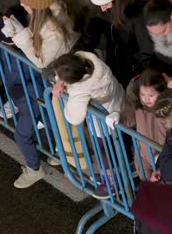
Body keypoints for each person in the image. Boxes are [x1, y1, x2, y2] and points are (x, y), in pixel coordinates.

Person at [0, 0, 79, 189]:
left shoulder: (52, 30)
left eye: (26, 4)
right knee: (53, 120)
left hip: (47, 83)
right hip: (47, 85)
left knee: (24, 134)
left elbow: (40, 60)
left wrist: (18, 34)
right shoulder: (56, 12)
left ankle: (34, 168)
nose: (23, 7)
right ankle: (58, 153)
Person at [51, 51, 125, 199]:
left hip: (104, 123)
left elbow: (74, 117)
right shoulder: (91, 63)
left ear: (71, 81)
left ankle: (112, 182)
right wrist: (61, 81)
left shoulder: (81, 90)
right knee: (115, 147)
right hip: (120, 104)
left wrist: (63, 92)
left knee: (105, 151)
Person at [87, 0, 152, 87]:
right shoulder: (104, 10)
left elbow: (147, 53)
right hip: (117, 69)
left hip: (136, 74)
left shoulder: (138, 14)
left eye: (105, 3)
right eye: (99, 4)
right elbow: (88, 38)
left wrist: (146, 82)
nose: (102, 9)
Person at [123, 68, 172, 180]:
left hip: (164, 160)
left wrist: (167, 79)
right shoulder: (138, 106)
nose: (146, 99)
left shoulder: (169, 109)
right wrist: (117, 117)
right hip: (143, 157)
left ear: (162, 92)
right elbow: (127, 118)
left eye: (151, 95)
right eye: (142, 94)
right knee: (148, 187)